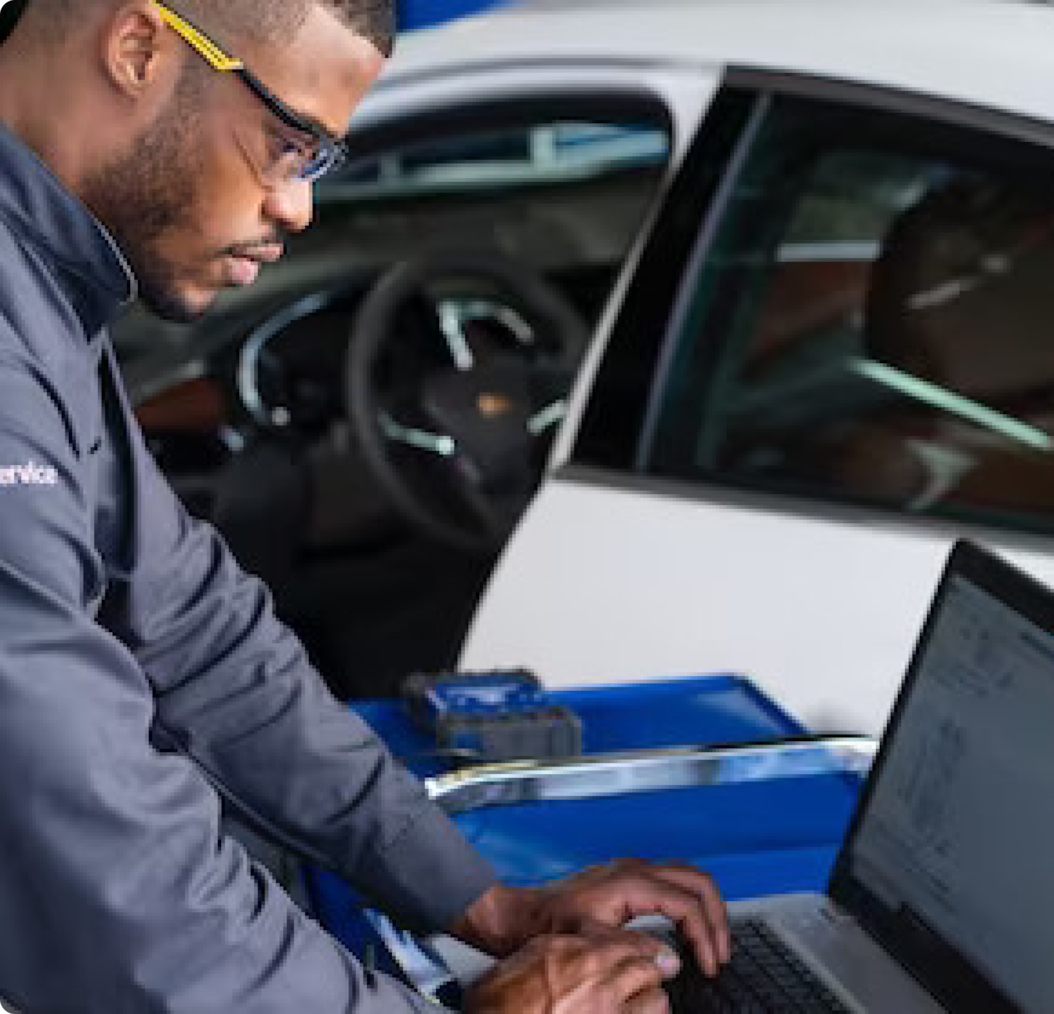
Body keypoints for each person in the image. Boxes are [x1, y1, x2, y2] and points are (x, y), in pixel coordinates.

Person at [0, 2, 730, 1011]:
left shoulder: (42, 286)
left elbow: (196, 632)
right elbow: (90, 834)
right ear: (138, 49)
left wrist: (482, 905)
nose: (298, 209)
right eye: (286, 143)